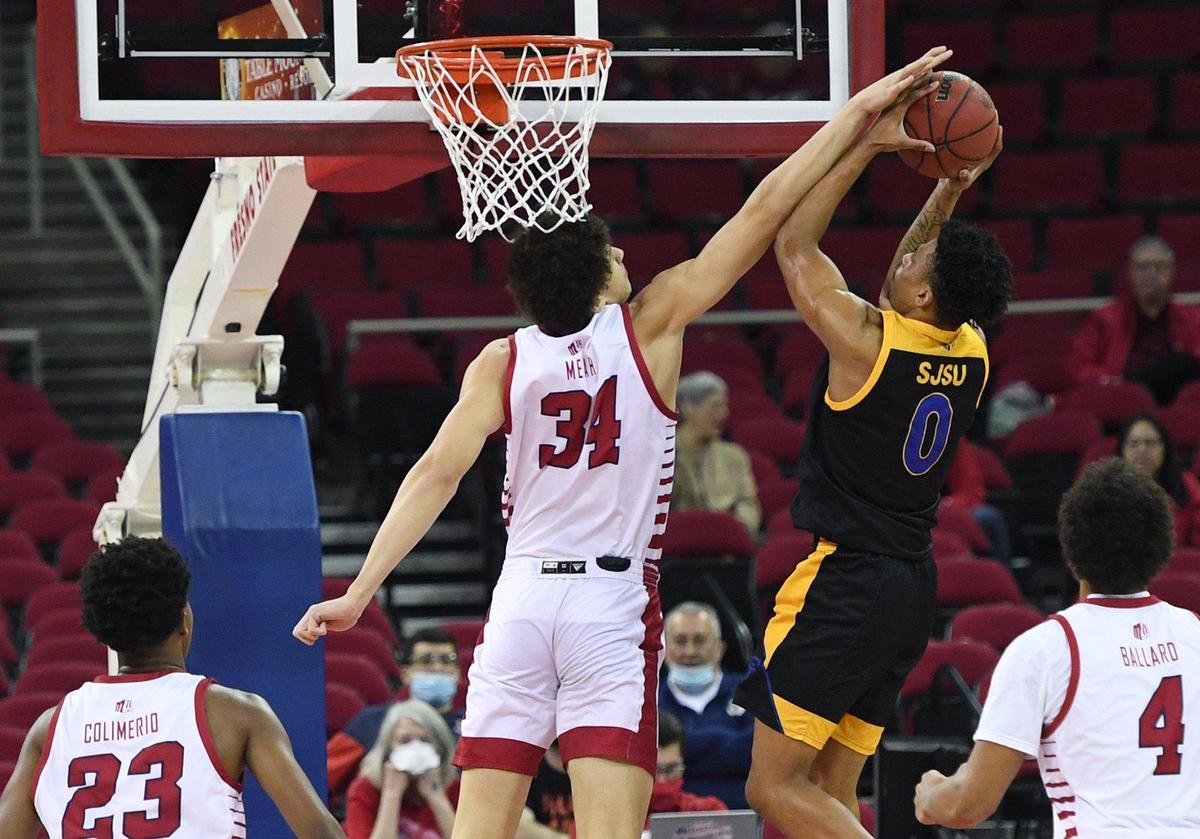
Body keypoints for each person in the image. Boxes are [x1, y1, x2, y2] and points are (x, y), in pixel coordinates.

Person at [293, 45, 954, 839]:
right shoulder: (651, 325)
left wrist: (362, 590)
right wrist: (854, 122)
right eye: (612, 252)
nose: (625, 256)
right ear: (597, 277)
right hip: (608, 605)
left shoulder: (500, 360)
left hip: (523, 600)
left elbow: (434, 474)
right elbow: (763, 211)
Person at [734, 87, 1013, 837]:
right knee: (828, 787)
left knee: (771, 786)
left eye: (919, 257)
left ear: (923, 292)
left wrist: (866, 142)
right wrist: (947, 189)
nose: (909, 251)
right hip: (909, 588)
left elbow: (793, 244)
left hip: (847, 580)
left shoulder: (866, 340)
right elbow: (912, 276)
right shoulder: (972, 349)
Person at [915, 457, 1200, 835]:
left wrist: (931, 796)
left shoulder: (1046, 648)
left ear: (1072, 550)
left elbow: (970, 805)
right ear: (1162, 547)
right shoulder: (1192, 632)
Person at [0, 536, 344, 839]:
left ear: (101, 630)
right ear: (183, 618)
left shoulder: (51, 728)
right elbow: (319, 831)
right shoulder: (237, 713)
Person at [1067, 235, 1200, 403]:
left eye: (1158, 267)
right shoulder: (1106, 317)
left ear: (1172, 271)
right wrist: (1112, 381)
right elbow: (1078, 368)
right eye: (1142, 267)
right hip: (1121, 398)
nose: (1150, 274)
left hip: (1176, 398)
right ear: (1130, 272)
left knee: (1184, 363)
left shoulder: (1192, 318)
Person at [329, 629, 465, 793]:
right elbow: (323, 777)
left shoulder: (472, 726)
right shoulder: (372, 721)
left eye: (447, 660)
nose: (437, 667)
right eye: (426, 660)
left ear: (457, 673)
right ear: (406, 674)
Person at [658, 601, 753, 808]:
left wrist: (685, 744)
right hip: (674, 818)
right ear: (664, 648)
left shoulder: (751, 692)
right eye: (680, 641)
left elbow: (760, 754)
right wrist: (731, 741)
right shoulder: (650, 701)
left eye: (699, 641)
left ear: (720, 648)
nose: (690, 651)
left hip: (747, 817)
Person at [343, 700, 458, 839]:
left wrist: (437, 799)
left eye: (425, 740)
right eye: (405, 741)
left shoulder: (456, 790)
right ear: (388, 748)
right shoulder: (364, 790)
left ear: (440, 747)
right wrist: (391, 795)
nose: (416, 749)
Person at [673, 372, 761, 534]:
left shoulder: (734, 456)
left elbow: (748, 504)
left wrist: (736, 530)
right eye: (715, 406)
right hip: (675, 545)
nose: (724, 413)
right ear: (688, 407)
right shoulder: (664, 453)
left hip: (724, 547)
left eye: (724, 406)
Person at [1118, 414, 1200, 545]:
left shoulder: (1186, 484)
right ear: (1122, 451)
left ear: (1164, 449)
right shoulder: (1107, 488)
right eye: (1133, 444)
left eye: (1150, 443)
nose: (1142, 450)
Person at [647, 710, 728, 819]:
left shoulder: (709, 812)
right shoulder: (618, 820)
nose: (662, 780)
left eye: (671, 769)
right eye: (653, 771)